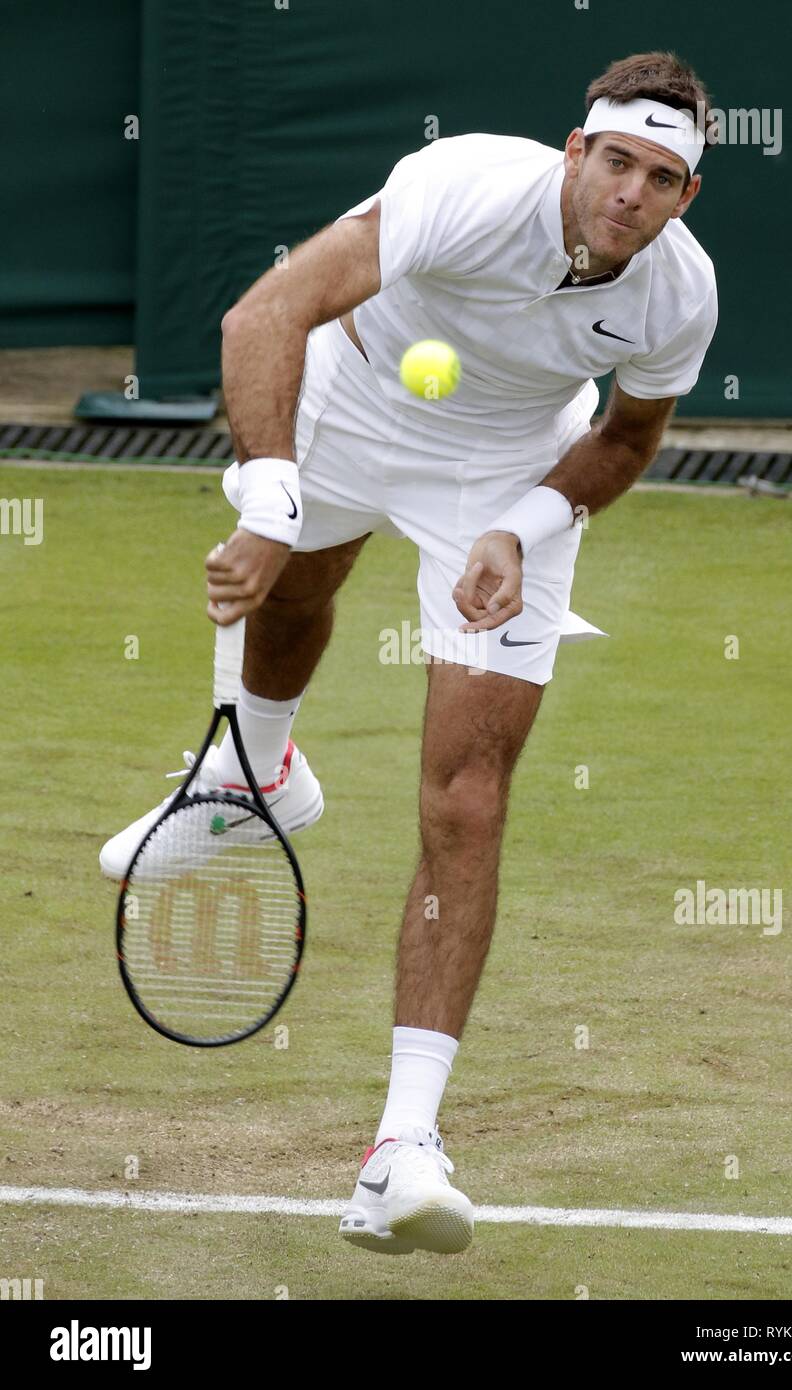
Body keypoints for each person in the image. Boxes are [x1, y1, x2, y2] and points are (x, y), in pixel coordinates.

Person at [101, 50, 718, 1256]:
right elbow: (265, 312)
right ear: (571, 151)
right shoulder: (460, 184)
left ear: (684, 195)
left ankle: (403, 1147)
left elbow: (628, 434)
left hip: (503, 460)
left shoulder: (676, 294)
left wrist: (522, 523)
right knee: (298, 587)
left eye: (660, 176)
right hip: (354, 389)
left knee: (468, 797)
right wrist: (272, 500)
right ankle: (256, 774)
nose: (630, 192)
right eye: (614, 161)